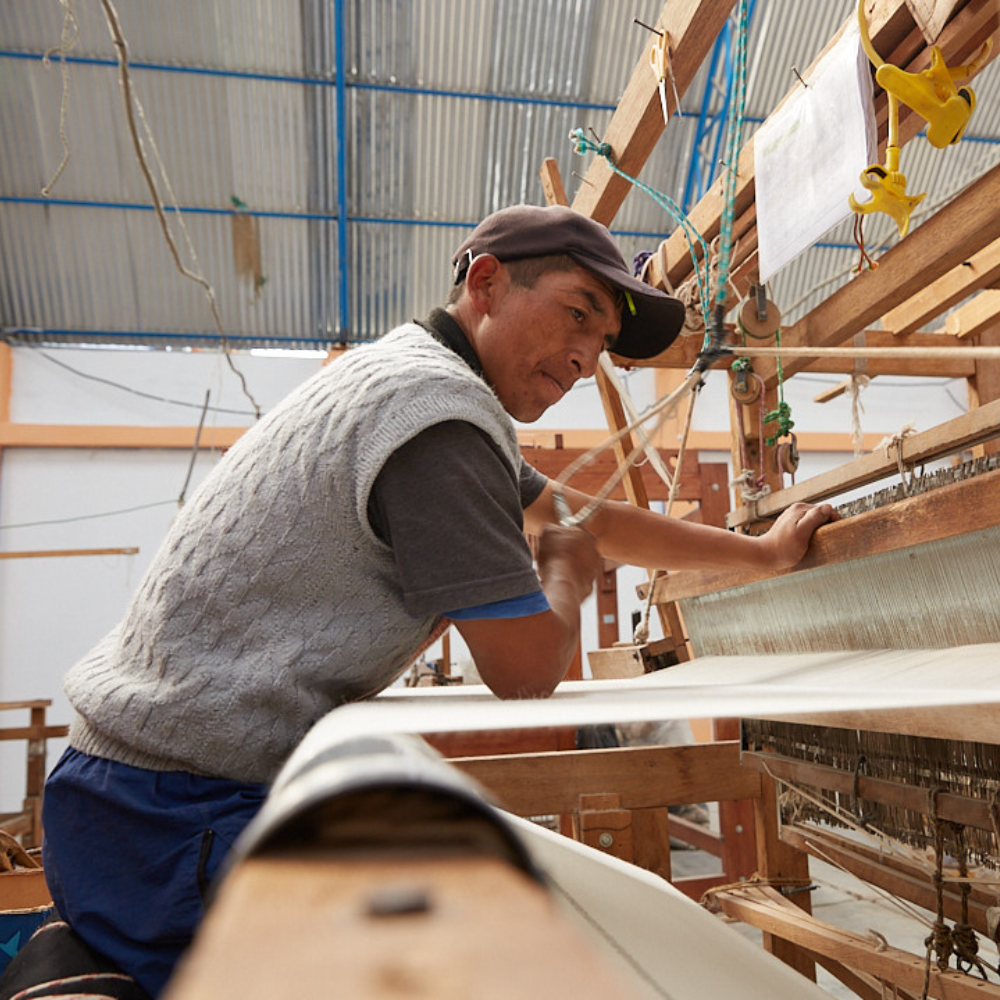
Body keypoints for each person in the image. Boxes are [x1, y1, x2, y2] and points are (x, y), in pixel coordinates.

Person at [33, 204, 835, 998]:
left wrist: (760, 555)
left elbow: (586, 518)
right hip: (171, 822)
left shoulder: (414, 379)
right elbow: (525, 670)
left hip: (136, 795)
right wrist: (565, 573)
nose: (585, 358)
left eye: (602, 344)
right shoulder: (434, 416)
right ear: (486, 282)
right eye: (577, 314)